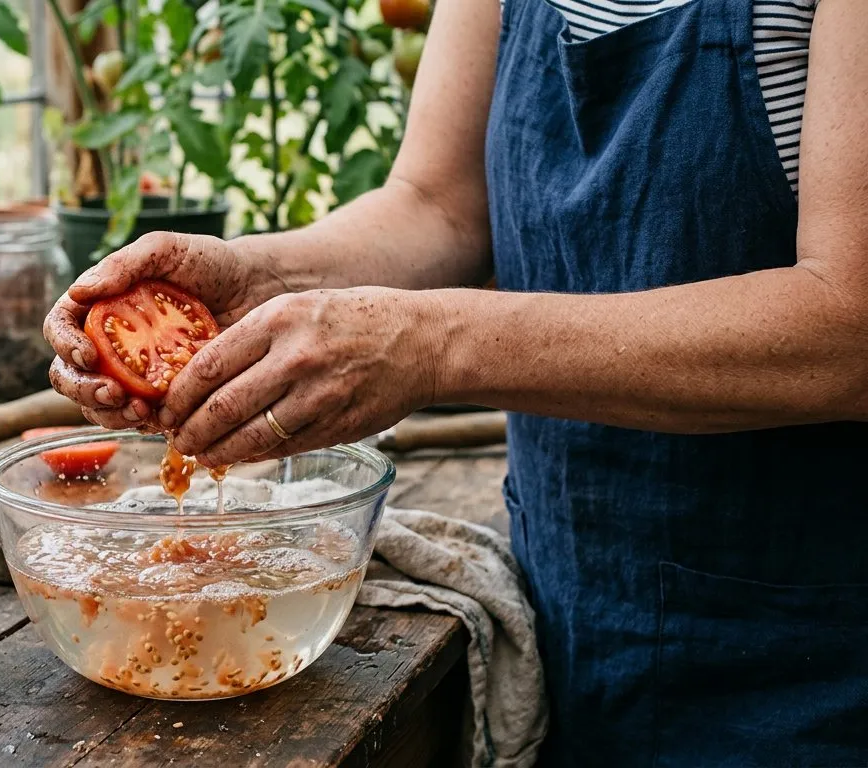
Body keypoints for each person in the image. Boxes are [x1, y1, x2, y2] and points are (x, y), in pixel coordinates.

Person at [45, 0, 867, 764]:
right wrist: (261, 275)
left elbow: (851, 327)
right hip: (567, 607)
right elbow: (438, 206)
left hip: (815, 656)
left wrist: (435, 342)